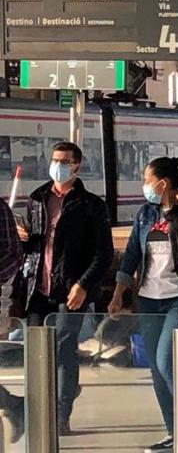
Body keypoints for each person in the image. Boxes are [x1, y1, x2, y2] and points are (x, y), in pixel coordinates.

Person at [110, 157, 178, 451]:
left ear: (164, 183)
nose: (145, 186)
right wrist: (119, 292)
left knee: (166, 360)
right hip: (148, 299)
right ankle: (174, 432)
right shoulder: (145, 214)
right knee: (156, 370)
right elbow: (132, 252)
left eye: (148, 180)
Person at [15, 142, 112, 434]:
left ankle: (61, 414)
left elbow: (103, 253)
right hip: (38, 289)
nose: (58, 165)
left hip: (71, 291)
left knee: (62, 349)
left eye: (65, 161)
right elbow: (35, 246)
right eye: (55, 160)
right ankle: (40, 407)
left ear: (77, 166)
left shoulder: (90, 205)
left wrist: (83, 285)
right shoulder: (37, 198)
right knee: (36, 351)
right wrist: (25, 238)